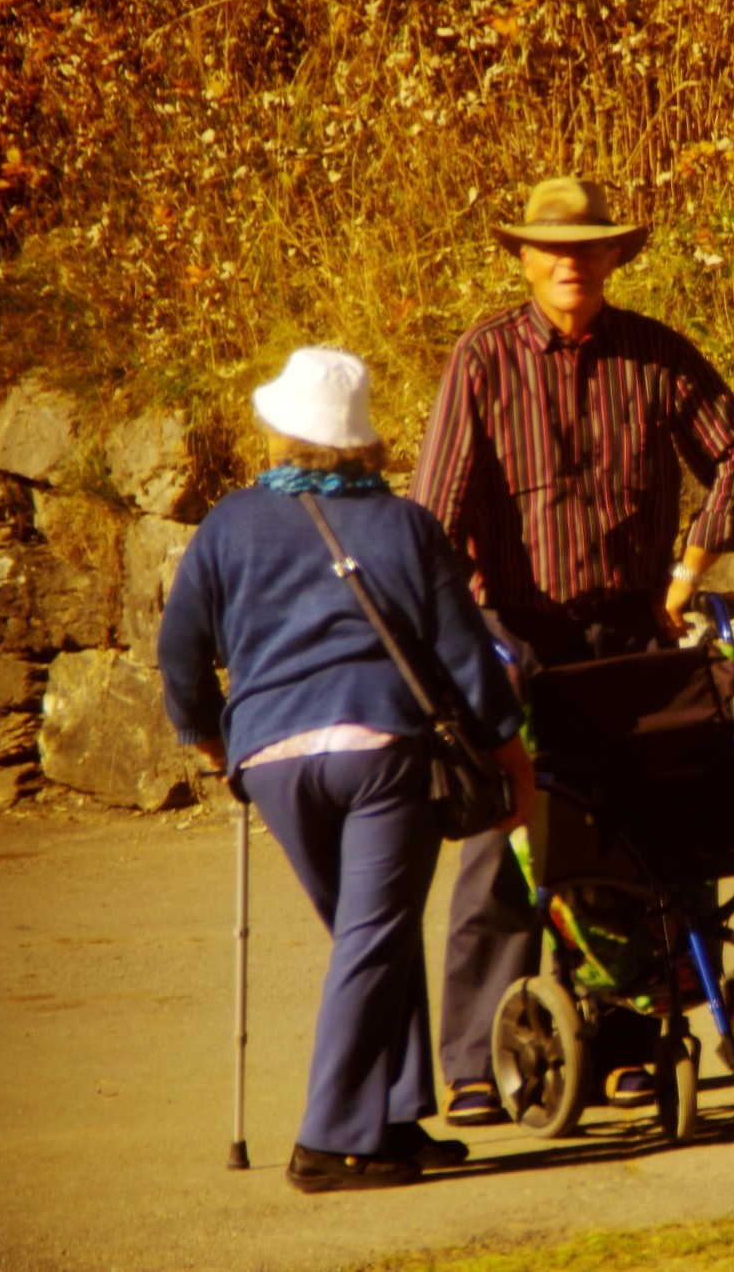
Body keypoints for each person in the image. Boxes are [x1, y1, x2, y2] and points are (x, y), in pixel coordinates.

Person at [411, 176, 734, 1121]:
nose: (570, 263)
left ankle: (627, 1042)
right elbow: (436, 515)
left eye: (589, 248)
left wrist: (687, 574)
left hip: (625, 638)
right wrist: (460, 639)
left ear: (614, 258)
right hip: (517, 642)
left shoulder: (654, 355)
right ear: (523, 260)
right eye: (551, 249)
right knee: (507, 845)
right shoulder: (482, 360)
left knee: (639, 838)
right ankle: (479, 1062)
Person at [159, 346, 536, 1193]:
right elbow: (465, 655)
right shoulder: (405, 525)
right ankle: (328, 1141)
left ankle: (392, 1116)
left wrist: (212, 740)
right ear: (363, 442)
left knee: (371, 935)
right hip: (381, 752)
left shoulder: (230, 523)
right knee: (374, 936)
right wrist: (511, 750)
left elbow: (179, 648)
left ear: (281, 430)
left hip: (272, 760)